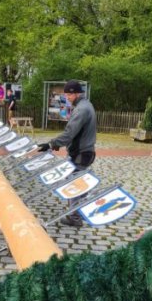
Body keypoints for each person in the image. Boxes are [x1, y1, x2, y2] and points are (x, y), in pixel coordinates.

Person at [37, 79, 96, 226]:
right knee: (80, 182)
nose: (67, 98)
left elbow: (69, 133)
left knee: (73, 183)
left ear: (76, 94)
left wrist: (52, 144)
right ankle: (79, 212)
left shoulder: (81, 109)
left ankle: (74, 217)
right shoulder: (86, 105)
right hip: (85, 151)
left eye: (69, 95)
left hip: (80, 153)